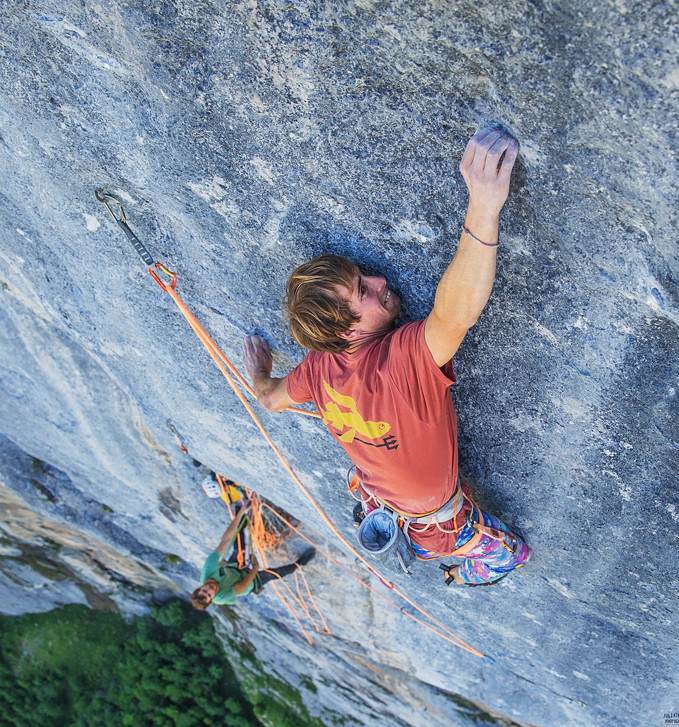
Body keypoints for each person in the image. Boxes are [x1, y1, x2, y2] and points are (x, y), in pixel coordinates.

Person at [242, 126, 529, 586]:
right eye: (363, 290)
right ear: (343, 329)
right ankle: (467, 565)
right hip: (432, 515)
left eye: (363, 277)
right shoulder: (398, 364)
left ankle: (393, 518)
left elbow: (269, 399)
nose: (379, 281)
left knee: (397, 503)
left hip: (378, 488)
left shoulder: (317, 367)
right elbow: (454, 315)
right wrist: (484, 204)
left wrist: (258, 371)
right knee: (506, 553)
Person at [191, 512, 315, 610]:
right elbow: (243, 585)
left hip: (233, 569)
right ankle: (300, 563)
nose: (210, 590)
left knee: (239, 543)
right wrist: (255, 567)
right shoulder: (223, 597)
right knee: (272, 574)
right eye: (209, 595)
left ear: (200, 587)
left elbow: (226, 540)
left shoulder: (208, 570)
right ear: (212, 599)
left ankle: (246, 514)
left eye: (205, 590)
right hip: (249, 583)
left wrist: (241, 514)